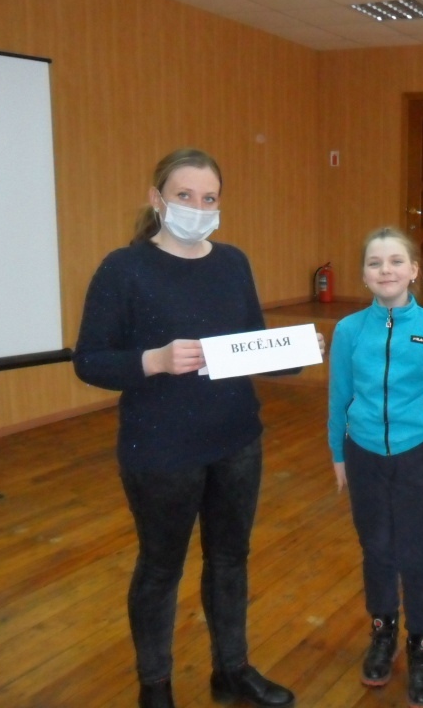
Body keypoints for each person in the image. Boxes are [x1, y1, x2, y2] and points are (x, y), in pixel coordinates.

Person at [73, 148, 315, 708]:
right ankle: (155, 687)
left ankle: (232, 670)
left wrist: (294, 351)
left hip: (236, 439)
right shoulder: (123, 269)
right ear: (157, 199)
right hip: (160, 450)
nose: (198, 208)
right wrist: (153, 360)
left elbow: (249, 343)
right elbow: (90, 360)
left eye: (209, 199)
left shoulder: (232, 262)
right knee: (161, 568)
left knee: (230, 559)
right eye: (185, 196)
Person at [327, 227, 423, 708]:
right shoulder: (348, 331)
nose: (386, 270)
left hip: (417, 453)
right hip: (362, 453)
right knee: (377, 548)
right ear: (364, 274)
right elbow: (339, 396)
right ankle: (383, 630)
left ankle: (421, 642)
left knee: (418, 554)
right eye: (375, 262)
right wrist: (338, 454)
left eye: (396, 261)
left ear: (414, 271)